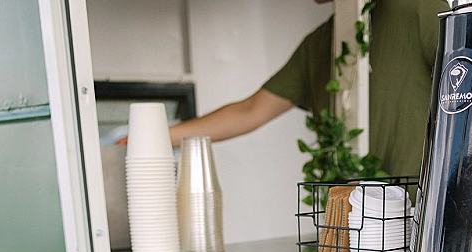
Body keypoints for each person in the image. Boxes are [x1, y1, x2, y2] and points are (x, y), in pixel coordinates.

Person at [136, 0, 448, 179]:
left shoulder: (414, 8)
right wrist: (149, 138)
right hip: (352, 233)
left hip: (425, 226)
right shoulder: (320, 43)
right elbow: (250, 111)